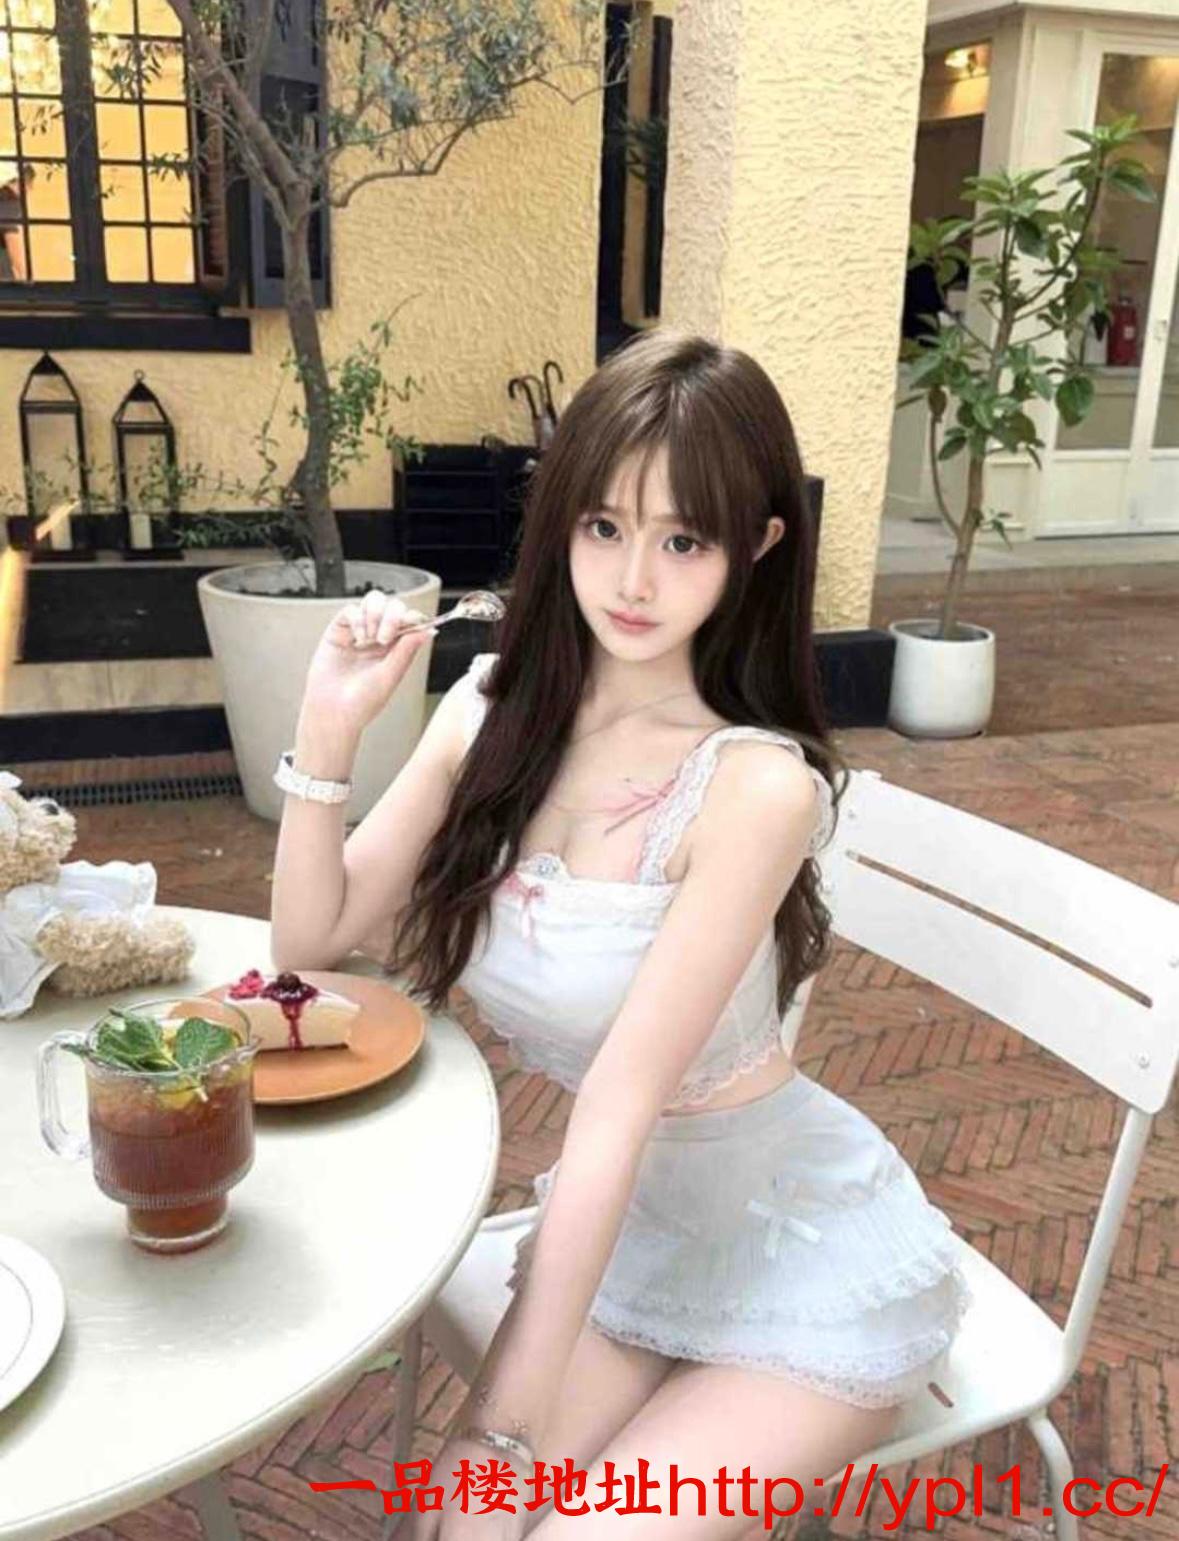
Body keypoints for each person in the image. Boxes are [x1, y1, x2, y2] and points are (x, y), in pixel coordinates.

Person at [270, 328, 972, 1541]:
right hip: (628, 1230)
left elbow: (616, 1103)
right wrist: (328, 730)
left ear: (757, 546)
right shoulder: (491, 713)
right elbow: (309, 942)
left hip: (798, 1242)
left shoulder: (754, 787)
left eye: (683, 540)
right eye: (604, 526)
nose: (633, 580)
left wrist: (495, 1437)